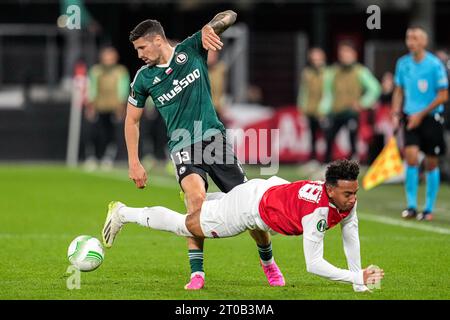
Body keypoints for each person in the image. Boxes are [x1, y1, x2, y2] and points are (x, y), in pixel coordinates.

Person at [106, 10, 284, 290]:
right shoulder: (143, 79)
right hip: (182, 145)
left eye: (141, 48)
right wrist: (133, 162)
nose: (138, 54)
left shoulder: (190, 49)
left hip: (214, 140)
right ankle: (197, 273)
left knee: (249, 209)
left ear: (156, 40)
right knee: (195, 201)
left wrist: (212, 26)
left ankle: (268, 261)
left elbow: (230, 15)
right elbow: (132, 120)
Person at [102, 159, 384, 291]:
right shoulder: (319, 213)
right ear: (330, 190)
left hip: (267, 192)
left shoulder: (345, 201)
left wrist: (359, 284)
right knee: (186, 226)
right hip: (248, 208)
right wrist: (356, 277)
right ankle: (123, 213)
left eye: (355, 192)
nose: (353, 198)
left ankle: (208, 200)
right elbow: (314, 264)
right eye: (347, 194)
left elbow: (351, 234)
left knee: (209, 210)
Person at [392, 27, 449, 221]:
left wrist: (421, 114)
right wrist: (395, 112)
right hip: (410, 118)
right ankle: (411, 206)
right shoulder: (403, 63)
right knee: (411, 157)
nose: (411, 41)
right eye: (408, 37)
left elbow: (443, 95)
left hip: (431, 119)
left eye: (415, 38)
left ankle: (428, 209)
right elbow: (399, 90)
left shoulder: (435, 65)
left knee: (431, 163)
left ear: (424, 42)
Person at [319, 40, 381, 164]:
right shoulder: (332, 72)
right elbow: (328, 94)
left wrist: (362, 103)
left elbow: (375, 88)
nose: (344, 56)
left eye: (347, 53)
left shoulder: (360, 71)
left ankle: (353, 162)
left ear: (354, 55)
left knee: (352, 138)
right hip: (336, 112)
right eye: (342, 53)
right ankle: (326, 164)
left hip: (351, 112)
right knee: (329, 137)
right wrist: (323, 110)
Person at [84, 46, 130, 171]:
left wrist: (121, 107)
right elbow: (92, 89)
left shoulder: (121, 71)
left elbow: (123, 89)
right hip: (99, 107)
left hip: (113, 108)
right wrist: (90, 106)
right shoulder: (96, 71)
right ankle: (91, 157)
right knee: (93, 133)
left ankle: (108, 158)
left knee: (112, 134)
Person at [298, 47, 327, 162]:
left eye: (318, 59)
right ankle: (313, 159)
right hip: (310, 109)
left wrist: (325, 109)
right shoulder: (307, 73)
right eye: (313, 59)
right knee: (312, 136)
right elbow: (303, 92)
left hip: (323, 111)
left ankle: (326, 160)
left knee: (326, 136)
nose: (316, 61)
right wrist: (302, 108)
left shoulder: (328, 73)